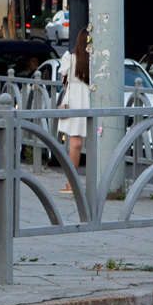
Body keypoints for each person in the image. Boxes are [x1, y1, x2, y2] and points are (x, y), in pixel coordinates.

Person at [57, 30, 91, 189]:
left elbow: (63, 83)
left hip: (73, 101)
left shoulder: (68, 59)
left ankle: (71, 183)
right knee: (95, 141)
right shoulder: (94, 62)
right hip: (90, 100)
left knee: (74, 144)